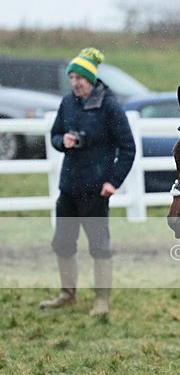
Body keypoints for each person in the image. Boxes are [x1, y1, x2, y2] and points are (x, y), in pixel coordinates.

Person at [39, 48, 136, 316]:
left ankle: (101, 301)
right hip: (68, 187)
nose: (75, 83)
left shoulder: (109, 106)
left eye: (79, 78)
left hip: (96, 191)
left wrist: (113, 182)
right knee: (62, 242)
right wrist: (63, 142)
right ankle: (66, 294)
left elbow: (128, 148)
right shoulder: (67, 102)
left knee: (99, 247)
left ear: (90, 79)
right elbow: (55, 135)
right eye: (71, 78)